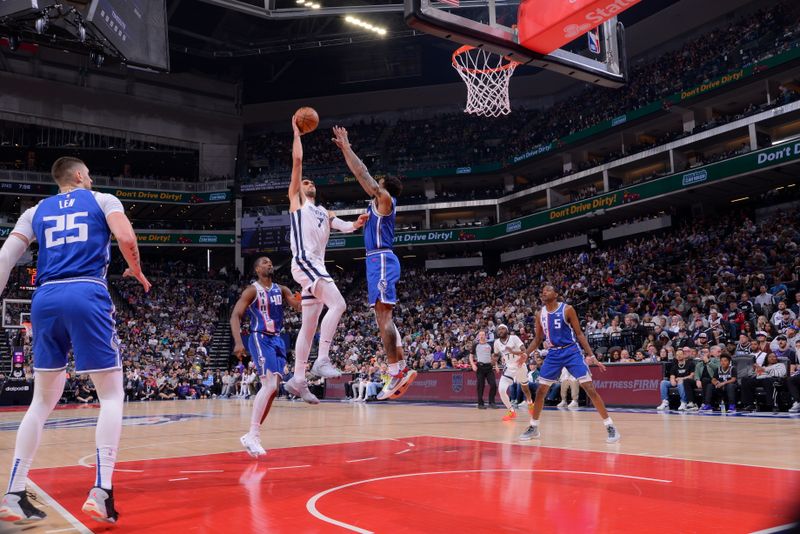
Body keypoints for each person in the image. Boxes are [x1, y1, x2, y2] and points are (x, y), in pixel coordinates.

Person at [0, 156, 150, 524]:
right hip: (86, 292)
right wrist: (135, 266)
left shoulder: (34, 211)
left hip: (45, 298)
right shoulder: (102, 199)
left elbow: (6, 256)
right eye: (90, 174)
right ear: (81, 176)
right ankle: (101, 490)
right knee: (111, 395)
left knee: (41, 401)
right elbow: (127, 237)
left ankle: (14, 492)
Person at [284, 114, 367, 404]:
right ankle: (322, 359)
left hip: (314, 268)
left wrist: (356, 224)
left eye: (310, 181)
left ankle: (297, 379)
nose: (308, 181)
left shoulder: (324, 212)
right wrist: (297, 135)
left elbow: (343, 225)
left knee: (308, 326)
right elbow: (297, 164)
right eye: (305, 181)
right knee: (340, 304)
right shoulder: (296, 201)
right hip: (306, 262)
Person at [331, 125, 417, 400]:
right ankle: (400, 367)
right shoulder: (376, 205)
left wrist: (346, 147)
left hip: (381, 259)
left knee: (383, 317)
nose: (374, 185)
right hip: (375, 261)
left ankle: (395, 372)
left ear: (384, 188)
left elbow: (361, 173)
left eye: (377, 183)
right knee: (382, 317)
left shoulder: (385, 199)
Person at [520, 285, 620, 443]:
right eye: (543, 290)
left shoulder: (567, 309)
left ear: (556, 294)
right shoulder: (540, 314)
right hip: (553, 353)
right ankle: (534, 427)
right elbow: (538, 339)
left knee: (589, 388)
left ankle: (610, 426)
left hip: (571, 351)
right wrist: (526, 353)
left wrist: (591, 355)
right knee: (540, 391)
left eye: (548, 290)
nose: (544, 292)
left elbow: (579, 333)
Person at [230, 256, 301, 457]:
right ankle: (252, 434)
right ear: (256, 269)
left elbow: (298, 307)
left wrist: (303, 300)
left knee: (273, 390)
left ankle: (253, 434)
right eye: (264, 262)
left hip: (278, 339)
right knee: (269, 385)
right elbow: (235, 315)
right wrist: (238, 342)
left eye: (270, 262)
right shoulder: (252, 290)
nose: (269, 264)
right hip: (260, 337)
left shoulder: (283, 289)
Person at [493, 324, 532, 421]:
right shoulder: (497, 342)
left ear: (507, 330)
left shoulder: (514, 338)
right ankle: (511, 411)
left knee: (525, 388)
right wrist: (494, 362)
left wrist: (512, 352)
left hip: (520, 366)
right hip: (509, 368)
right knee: (501, 390)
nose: (501, 331)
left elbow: (524, 351)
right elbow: (496, 355)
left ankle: (530, 402)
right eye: (499, 329)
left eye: (503, 328)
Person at [469, 330, 497, 409]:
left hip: (489, 367)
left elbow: (493, 356)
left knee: (493, 385)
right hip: (480, 367)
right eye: (480, 335)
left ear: (486, 336)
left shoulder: (490, 344)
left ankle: (492, 402)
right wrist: (473, 365)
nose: (481, 336)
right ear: (478, 336)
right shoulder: (475, 345)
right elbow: (470, 356)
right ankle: (480, 404)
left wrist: (496, 365)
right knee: (480, 386)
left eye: (483, 335)